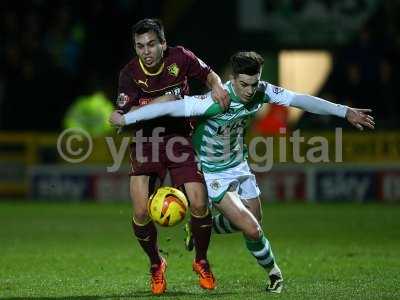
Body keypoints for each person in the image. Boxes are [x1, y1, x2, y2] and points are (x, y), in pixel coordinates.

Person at [110, 51, 374, 293]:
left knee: (255, 218)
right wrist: (127, 118)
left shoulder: (262, 91)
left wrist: (346, 112)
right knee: (253, 228)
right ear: (232, 79)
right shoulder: (212, 101)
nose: (249, 91)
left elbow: (300, 100)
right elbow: (168, 107)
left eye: (254, 83)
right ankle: (275, 276)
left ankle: (204, 226)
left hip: (240, 166)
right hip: (212, 173)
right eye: (243, 84)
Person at [116, 18, 228, 295]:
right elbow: (125, 115)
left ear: (163, 44)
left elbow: (209, 73)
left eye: (152, 44)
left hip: (179, 139)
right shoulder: (129, 74)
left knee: (200, 203)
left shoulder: (180, 57)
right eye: (140, 46)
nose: (146, 51)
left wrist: (216, 85)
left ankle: (201, 260)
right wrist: (120, 117)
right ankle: (156, 263)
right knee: (141, 212)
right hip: (146, 141)